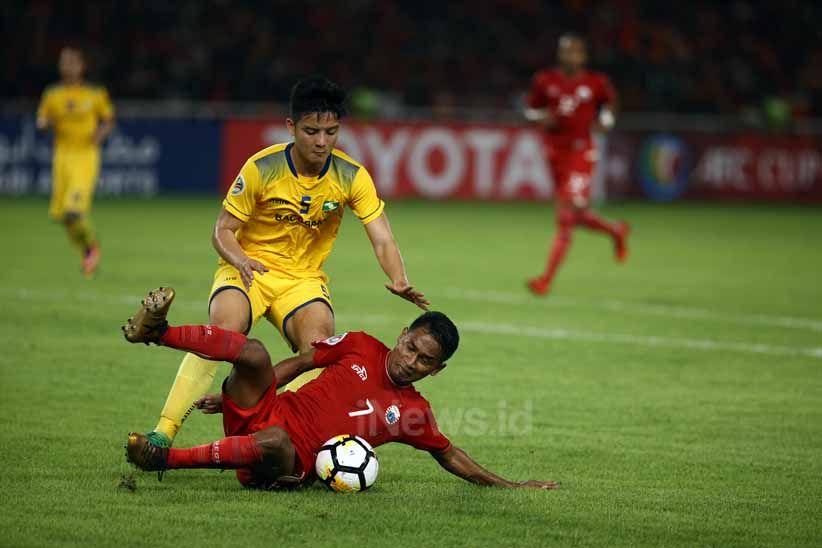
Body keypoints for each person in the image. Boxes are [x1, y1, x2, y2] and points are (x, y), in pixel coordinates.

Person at [132, 76, 429, 453]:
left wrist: (399, 277)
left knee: (319, 349)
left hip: (302, 279)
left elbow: (382, 235)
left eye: (331, 132)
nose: (321, 142)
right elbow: (222, 230)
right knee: (223, 332)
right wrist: (240, 259)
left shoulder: (351, 175)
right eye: (311, 131)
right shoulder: (262, 167)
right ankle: (163, 433)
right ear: (291, 126)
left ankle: (279, 434)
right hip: (247, 267)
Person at [123, 287, 557, 490]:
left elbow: (449, 454)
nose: (411, 361)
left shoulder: (413, 413)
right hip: (265, 411)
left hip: (286, 464)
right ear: (402, 334)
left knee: (274, 440)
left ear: (437, 370)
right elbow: (300, 363)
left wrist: (512, 486)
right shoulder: (360, 345)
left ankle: (165, 460)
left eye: (425, 361)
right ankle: (157, 332)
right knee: (253, 352)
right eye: (411, 347)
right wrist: (233, 396)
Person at [524, 34, 630, 296]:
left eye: (576, 52)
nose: (571, 56)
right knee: (577, 214)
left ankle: (545, 280)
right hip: (555, 154)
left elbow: (610, 104)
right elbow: (530, 110)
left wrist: (606, 120)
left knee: (566, 216)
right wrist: (540, 118)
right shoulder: (544, 80)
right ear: (560, 54)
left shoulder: (596, 82)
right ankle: (615, 231)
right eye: (567, 51)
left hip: (581, 152)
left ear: (583, 56)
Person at [36, 46, 115, 278]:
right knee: (63, 216)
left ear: (82, 66)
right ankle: (87, 249)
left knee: (73, 211)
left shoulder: (95, 94)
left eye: (72, 62)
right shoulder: (52, 94)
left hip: (85, 157)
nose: (68, 66)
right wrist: (44, 124)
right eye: (64, 62)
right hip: (62, 157)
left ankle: (92, 247)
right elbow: (42, 120)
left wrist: (100, 134)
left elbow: (108, 119)